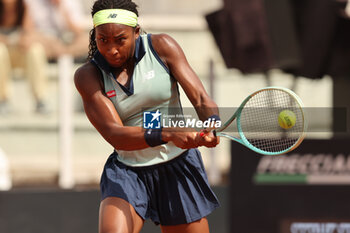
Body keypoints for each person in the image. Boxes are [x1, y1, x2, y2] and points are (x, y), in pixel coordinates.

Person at [74, 0, 221, 232]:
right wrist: (170, 133)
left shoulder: (163, 46)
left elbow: (202, 100)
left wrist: (211, 125)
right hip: (128, 170)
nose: (111, 49)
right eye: (103, 40)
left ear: (136, 32)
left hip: (178, 166)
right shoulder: (87, 76)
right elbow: (116, 134)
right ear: (95, 37)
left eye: (120, 40)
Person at [0, 0, 48, 114]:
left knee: (35, 50)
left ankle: (40, 99)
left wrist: (25, 38)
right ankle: (2, 100)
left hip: (18, 53)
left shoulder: (24, 7)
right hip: (3, 55)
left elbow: (28, 34)